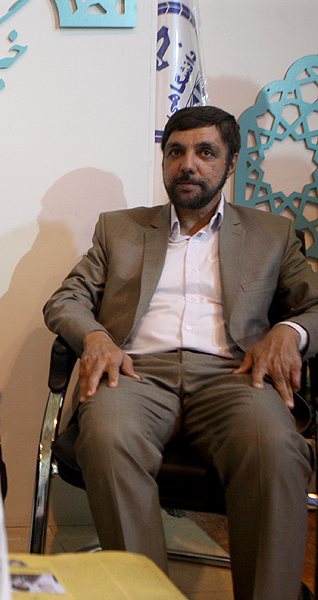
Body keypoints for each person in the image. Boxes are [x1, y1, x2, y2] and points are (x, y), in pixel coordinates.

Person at [43, 106, 317, 600]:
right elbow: (67, 299)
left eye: (205, 152)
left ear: (230, 163)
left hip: (235, 374)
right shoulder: (119, 229)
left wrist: (289, 330)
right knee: (107, 436)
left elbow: (314, 305)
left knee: (275, 448)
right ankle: (146, 595)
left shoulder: (271, 234)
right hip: (136, 372)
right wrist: (96, 337)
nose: (188, 164)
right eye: (176, 152)